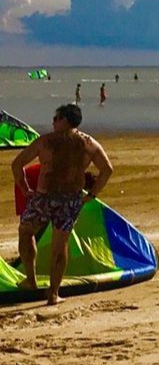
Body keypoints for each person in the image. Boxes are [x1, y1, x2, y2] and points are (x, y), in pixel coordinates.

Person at [10, 103, 114, 305]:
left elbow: (17, 164)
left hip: (44, 198)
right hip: (70, 200)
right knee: (60, 244)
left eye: (56, 118)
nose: (53, 122)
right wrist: (92, 195)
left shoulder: (46, 141)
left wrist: (25, 189)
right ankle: (53, 293)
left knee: (26, 232)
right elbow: (107, 170)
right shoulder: (89, 144)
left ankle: (31, 281)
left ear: (65, 120)